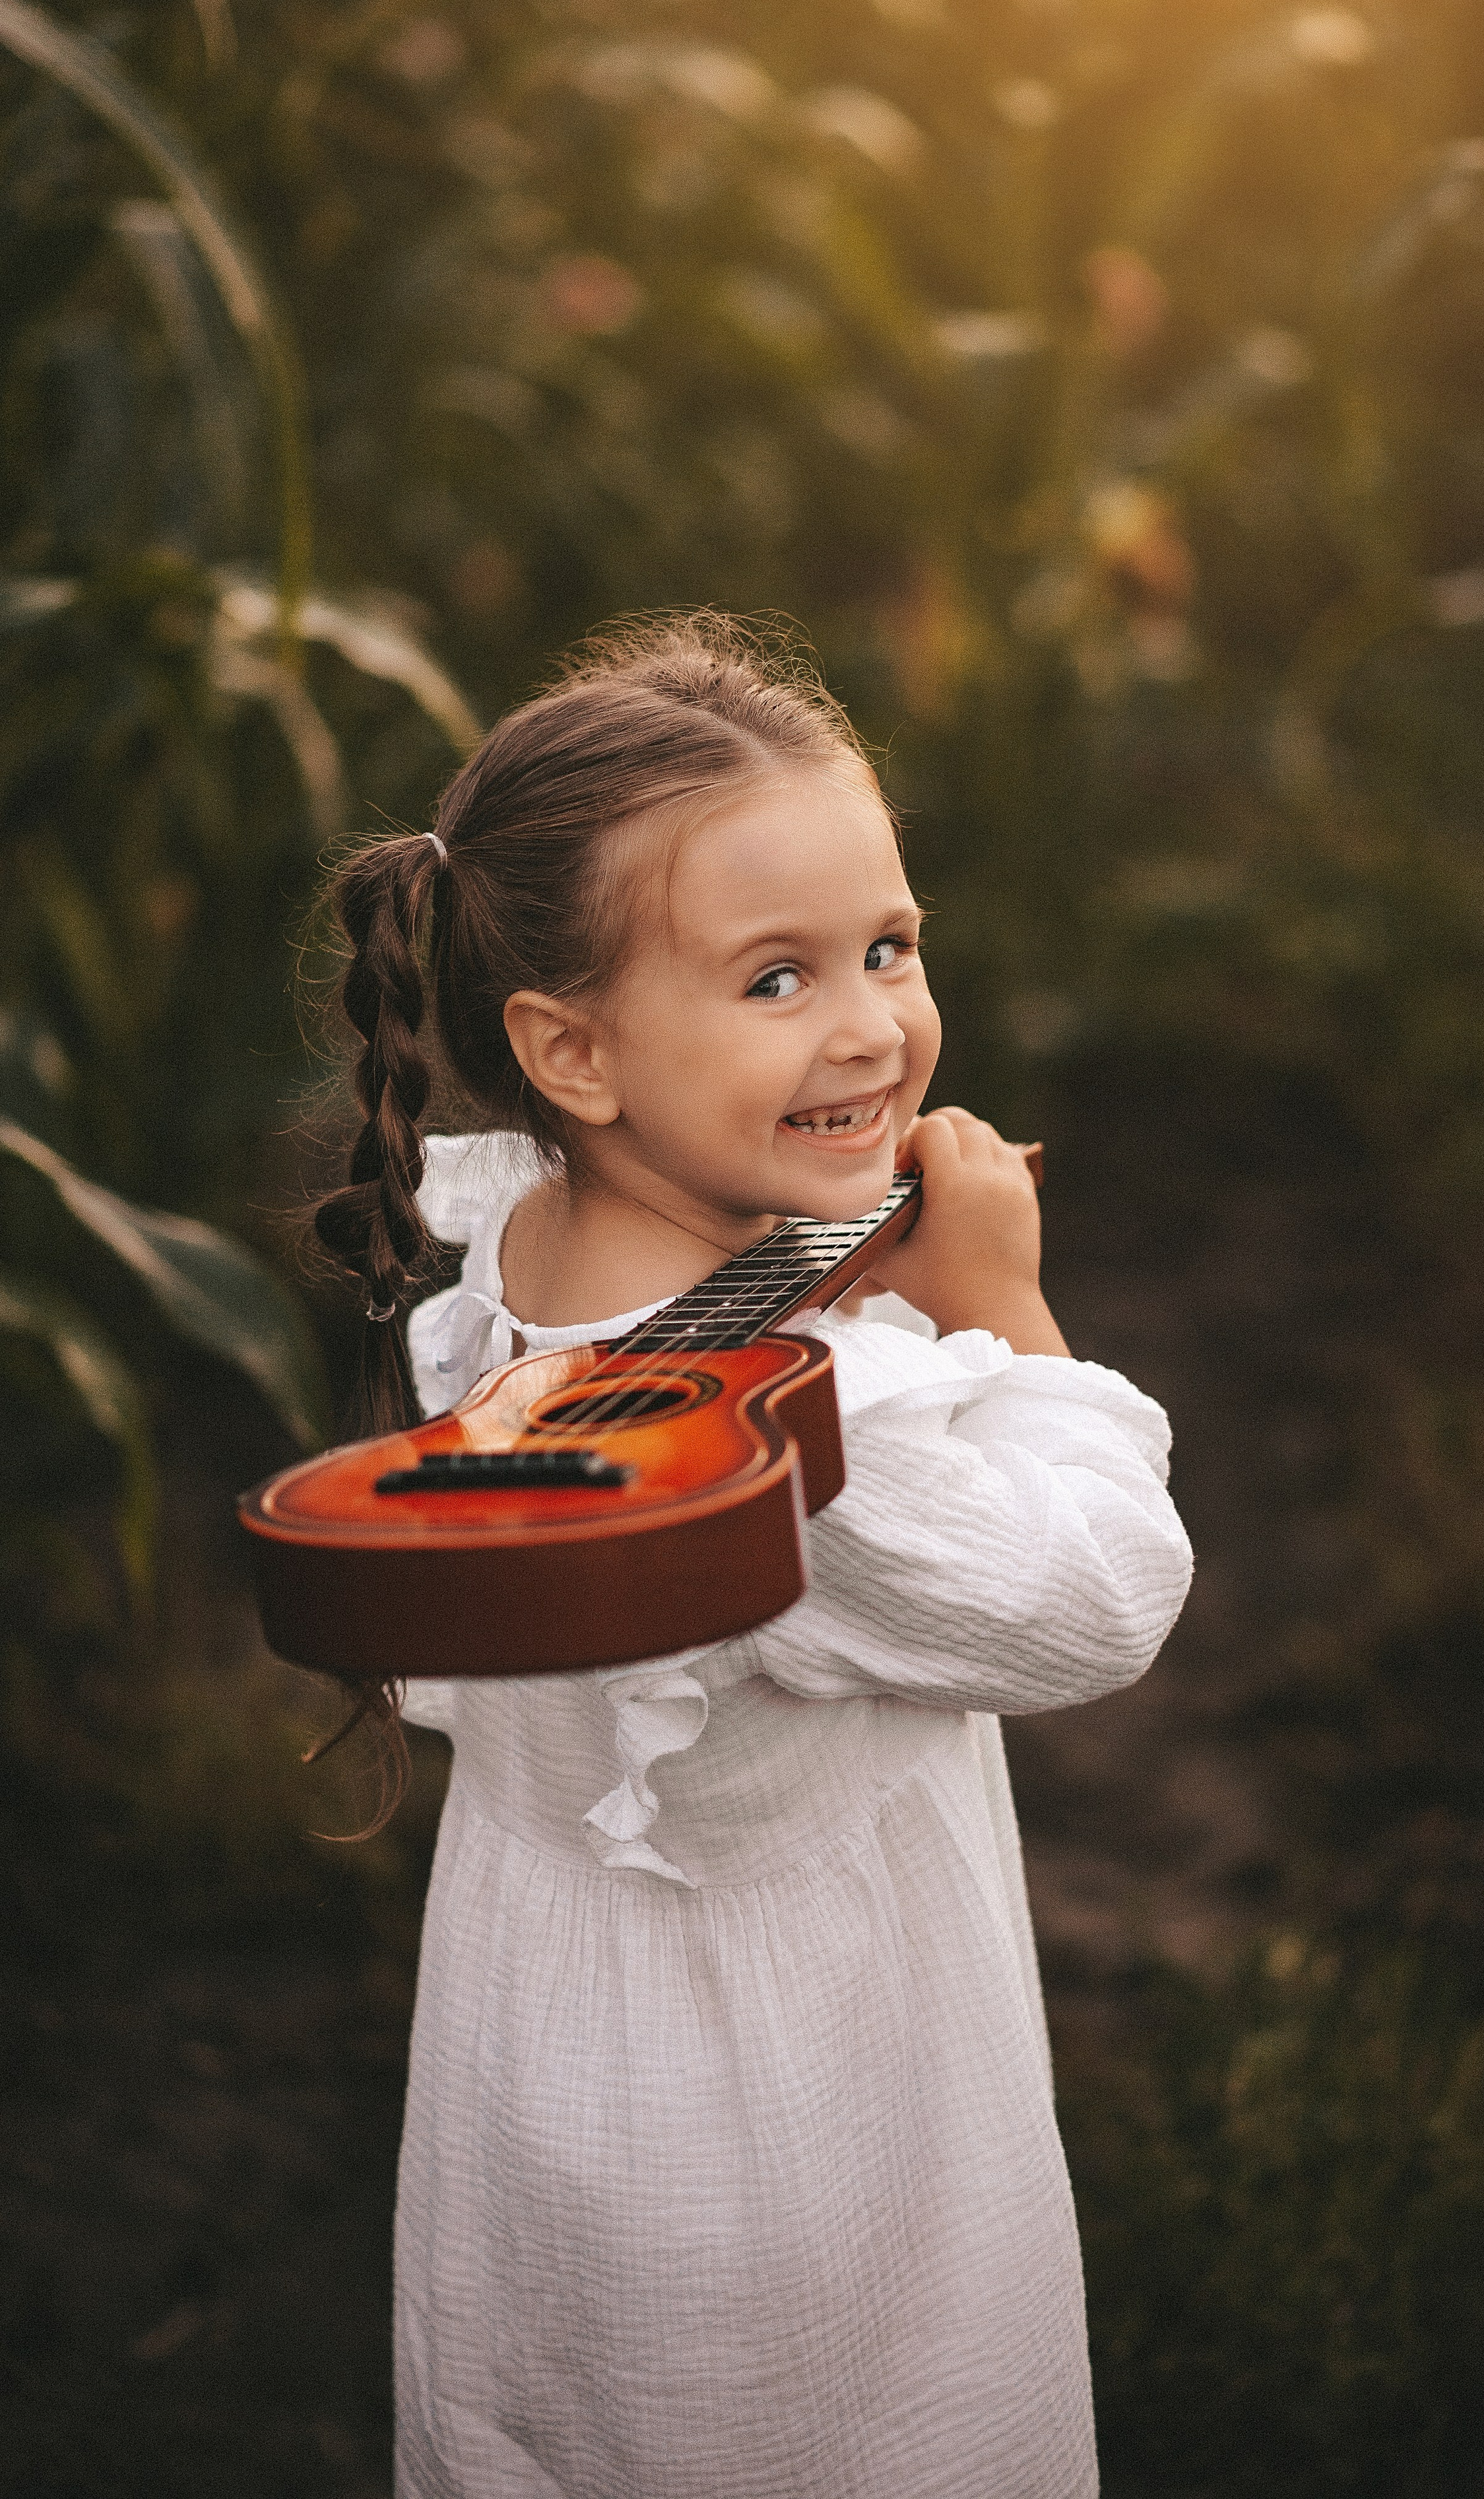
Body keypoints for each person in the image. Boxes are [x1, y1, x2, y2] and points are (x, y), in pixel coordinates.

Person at [311, 613, 1193, 2499]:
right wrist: (1001, 1308)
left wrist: (848, 1259)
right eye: (778, 977)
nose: (873, 1023)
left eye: (891, 945)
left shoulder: (519, 1275)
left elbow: (687, 1308)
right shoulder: (815, 1437)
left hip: (543, 2069)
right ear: (573, 1046)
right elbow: (1100, 1594)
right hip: (801, 2130)